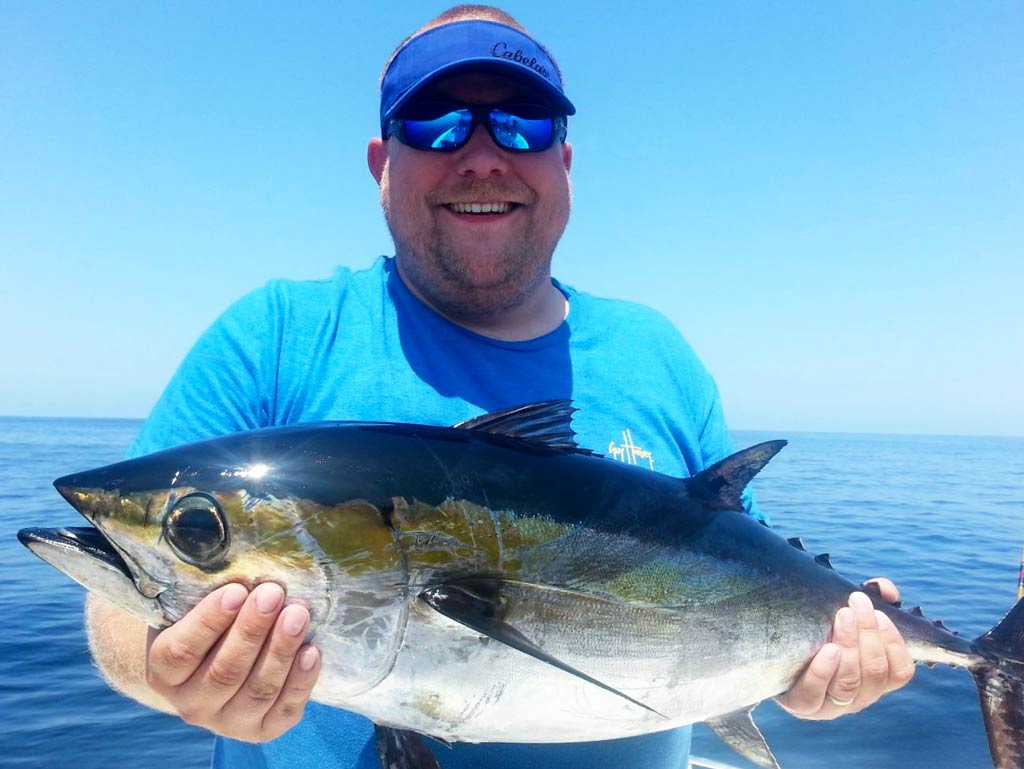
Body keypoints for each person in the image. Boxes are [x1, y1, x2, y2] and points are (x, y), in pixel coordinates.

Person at [84, 6, 915, 769]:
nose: (481, 156)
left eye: (522, 125)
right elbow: (119, 605)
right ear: (382, 164)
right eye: (434, 123)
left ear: (564, 160)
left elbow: (743, 584)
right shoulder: (275, 336)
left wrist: (823, 671)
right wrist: (168, 671)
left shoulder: (657, 352)